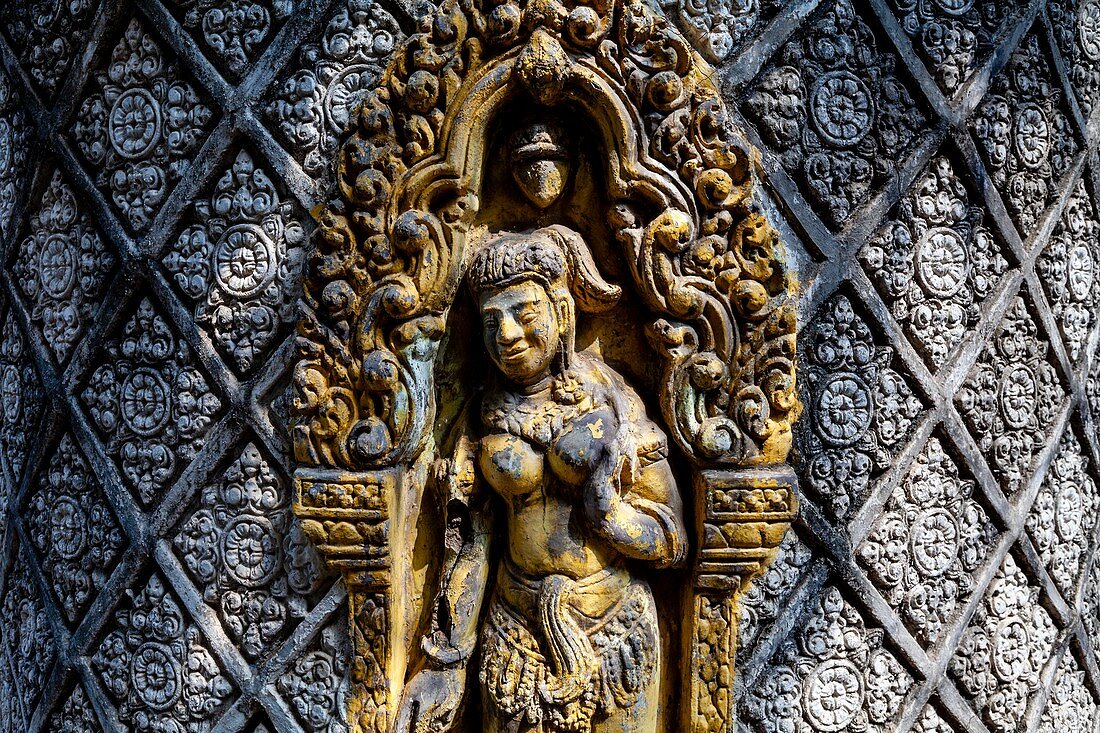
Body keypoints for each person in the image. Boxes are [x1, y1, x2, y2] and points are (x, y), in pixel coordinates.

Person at [394, 225, 686, 733]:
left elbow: (671, 540)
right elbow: (471, 540)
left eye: (523, 314)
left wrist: (610, 514)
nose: (506, 334)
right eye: (491, 320)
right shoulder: (483, 416)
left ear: (562, 312)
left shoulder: (611, 402)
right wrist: (446, 661)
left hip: (613, 626)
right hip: (514, 632)